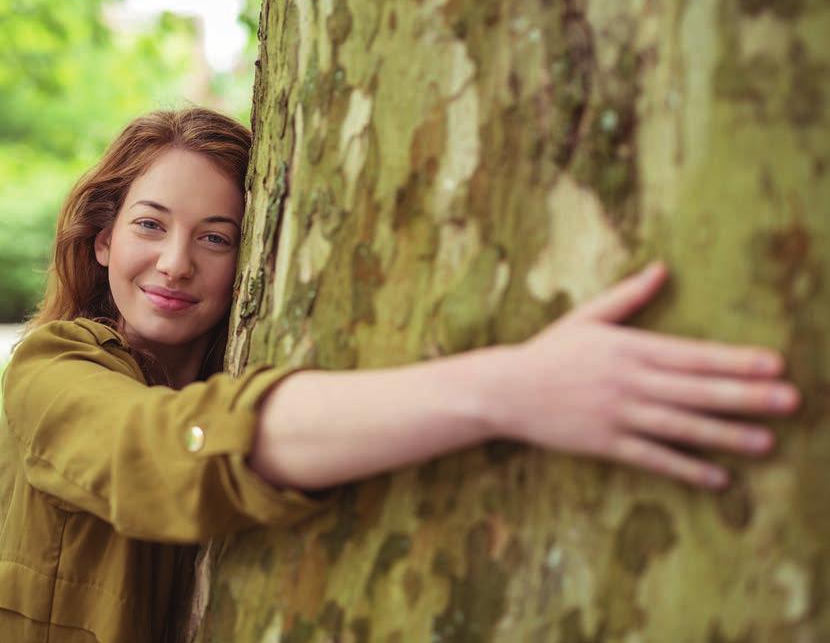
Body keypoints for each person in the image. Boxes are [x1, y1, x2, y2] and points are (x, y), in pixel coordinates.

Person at [0, 107, 800, 642]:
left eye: (218, 237)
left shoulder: (242, 361)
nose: (176, 263)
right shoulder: (48, 369)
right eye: (150, 225)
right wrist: (511, 390)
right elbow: (155, 451)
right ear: (102, 239)